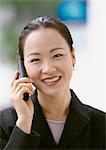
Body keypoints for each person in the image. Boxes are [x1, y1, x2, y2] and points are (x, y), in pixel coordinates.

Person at [0, 16, 105, 150]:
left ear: (73, 56)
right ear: (23, 66)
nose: (48, 69)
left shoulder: (101, 125)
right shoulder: (4, 124)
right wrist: (23, 124)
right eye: (35, 59)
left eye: (57, 55)